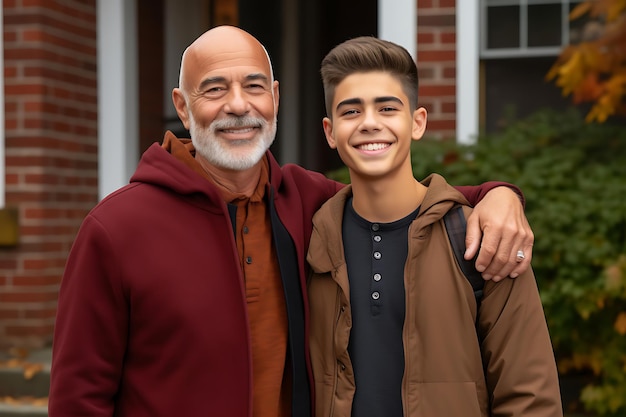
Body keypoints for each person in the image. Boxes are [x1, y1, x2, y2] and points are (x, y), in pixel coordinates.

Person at [48, 26, 535, 417]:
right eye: (215, 89)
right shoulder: (116, 228)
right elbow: (79, 397)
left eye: (254, 86)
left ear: (275, 98)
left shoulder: (306, 201)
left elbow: (401, 199)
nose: (238, 105)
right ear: (182, 105)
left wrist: (498, 196)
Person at [307, 36, 562, 417]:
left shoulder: (482, 239)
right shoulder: (311, 240)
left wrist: (504, 194)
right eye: (351, 112)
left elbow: (530, 398)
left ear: (417, 122)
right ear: (330, 132)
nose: (370, 123)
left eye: (387, 108)